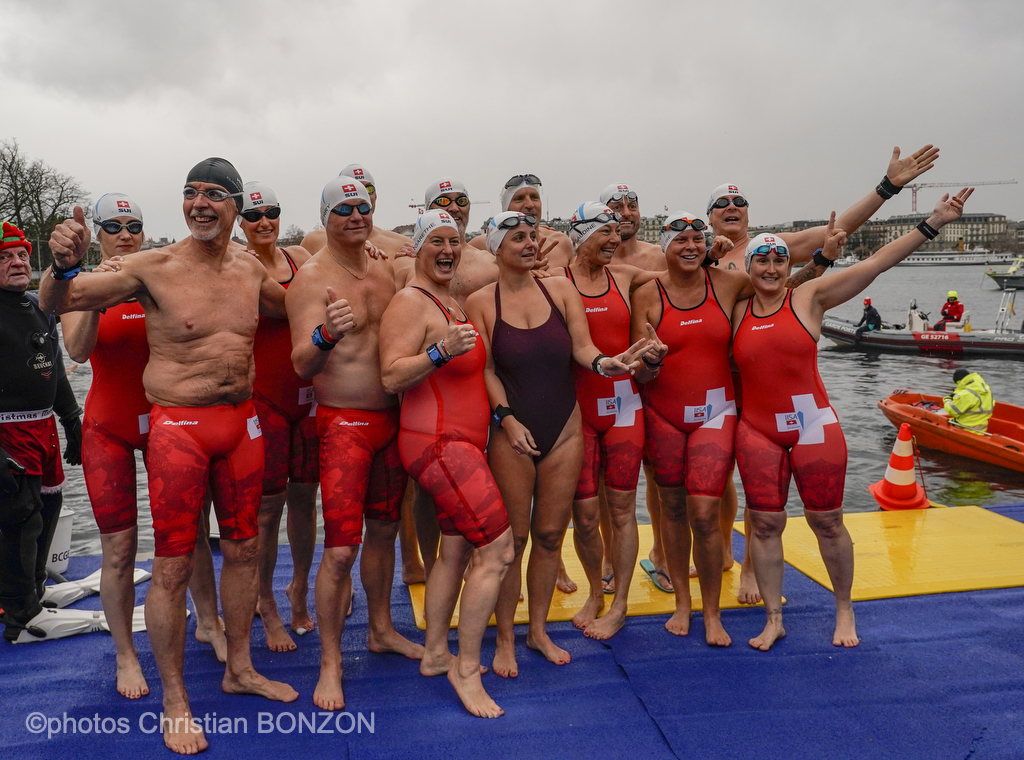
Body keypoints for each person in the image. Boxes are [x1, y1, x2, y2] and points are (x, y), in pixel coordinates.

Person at [42, 158, 299, 755]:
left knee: (245, 551)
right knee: (173, 567)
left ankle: (239, 666)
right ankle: (175, 699)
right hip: (178, 427)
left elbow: (295, 305)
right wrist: (61, 264)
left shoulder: (249, 271)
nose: (200, 204)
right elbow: (62, 301)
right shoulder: (151, 267)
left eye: (214, 194)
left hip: (242, 425)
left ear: (236, 205)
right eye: (190, 194)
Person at [731, 188, 973, 652]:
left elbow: (877, 263)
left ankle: (844, 608)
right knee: (763, 524)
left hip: (812, 426)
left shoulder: (809, 298)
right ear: (749, 269)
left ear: (788, 267)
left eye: (778, 261)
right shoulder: (735, 309)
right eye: (760, 261)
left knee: (827, 521)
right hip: (758, 430)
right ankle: (774, 617)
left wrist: (934, 222)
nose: (769, 268)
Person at [705, 143, 941, 604]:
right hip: (726, 387)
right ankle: (717, 556)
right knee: (718, 485)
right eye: (721, 204)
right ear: (709, 216)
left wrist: (888, 187)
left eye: (739, 202)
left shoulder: (770, 250)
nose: (731, 208)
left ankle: (752, 568)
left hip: (771, 385)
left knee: (765, 503)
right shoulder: (698, 252)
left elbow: (841, 229)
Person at [59, 194, 226, 698]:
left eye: (134, 225)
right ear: (101, 233)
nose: (126, 233)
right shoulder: (88, 286)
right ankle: (126, 655)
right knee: (119, 549)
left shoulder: (160, 276)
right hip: (108, 425)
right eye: (114, 226)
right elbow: (77, 350)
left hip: (165, 422)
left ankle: (209, 622)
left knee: (190, 533)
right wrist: (98, 286)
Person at [466, 210, 647, 676]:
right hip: (513, 433)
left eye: (532, 236)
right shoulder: (482, 301)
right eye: (518, 238)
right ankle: (505, 636)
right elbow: (485, 370)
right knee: (516, 539)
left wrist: (607, 363)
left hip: (565, 428)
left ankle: (538, 630)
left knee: (549, 536)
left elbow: (583, 348)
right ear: (495, 247)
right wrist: (504, 420)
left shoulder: (560, 290)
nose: (529, 244)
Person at [287, 176, 423, 712]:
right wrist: (326, 334)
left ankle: (382, 628)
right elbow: (301, 362)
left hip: (392, 421)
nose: (354, 215)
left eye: (362, 206)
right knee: (341, 547)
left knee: (385, 532)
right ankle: (330, 662)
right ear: (325, 216)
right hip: (344, 425)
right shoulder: (311, 281)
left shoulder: (388, 270)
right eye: (342, 208)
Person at [380, 209, 514, 718]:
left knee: (455, 551)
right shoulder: (410, 303)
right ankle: (466, 669)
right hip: (438, 445)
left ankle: (437, 652)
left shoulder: (449, 300)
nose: (447, 249)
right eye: (436, 241)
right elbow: (391, 375)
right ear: (417, 248)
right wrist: (438, 352)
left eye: (454, 242)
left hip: (460, 443)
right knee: (498, 552)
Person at [630, 211, 752, 644]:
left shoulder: (729, 283)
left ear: (707, 245)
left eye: (697, 239)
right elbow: (639, 376)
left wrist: (822, 260)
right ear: (664, 247)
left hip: (716, 414)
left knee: (705, 512)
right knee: (673, 511)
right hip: (662, 414)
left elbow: (781, 290)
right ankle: (683, 603)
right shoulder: (647, 292)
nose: (689, 246)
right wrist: (652, 362)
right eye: (679, 239)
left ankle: (712, 612)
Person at [559, 202, 662, 639]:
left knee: (622, 510)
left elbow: (683, 273)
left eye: (617, 232)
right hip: (573, 412)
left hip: (623, 407)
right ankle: (595, 593)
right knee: (583, 515)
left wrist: (713, 255)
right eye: (604, 232)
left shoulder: (626, 277)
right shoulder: (552, 282)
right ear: (579, 235)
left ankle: (619, 601)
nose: (614, 239)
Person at [236, 182, 320, 652]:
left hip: (306, 397)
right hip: (263, 398)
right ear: (240, 221)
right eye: (253, 215)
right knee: (268, 511)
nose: (263, 221)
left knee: (307, 502)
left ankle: (298, 589)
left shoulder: (300, 260)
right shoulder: (236, 263)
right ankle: (264, 600)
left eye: (271, 212)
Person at [0, 222, 83, 644]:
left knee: (50, 505)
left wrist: (72, 420)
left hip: (43, 424)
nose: (16, 263)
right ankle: (19, 616)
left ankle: (37, 590)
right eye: (4, 257)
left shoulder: (37, 305)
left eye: (19, 255)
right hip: (7, 432)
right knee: (20, 516)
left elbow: (52, 368)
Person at [467, 173, 574, 269]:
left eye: (534, 197)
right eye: (519, 198)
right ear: (506, 209)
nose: (530, 205)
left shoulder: (561, 243)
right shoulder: (481, 246)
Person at [600, 183, 667, 271]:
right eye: (617, 207)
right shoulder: (591, 264)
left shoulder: (662, 257)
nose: (627, 213)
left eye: (632, 206)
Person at [942, 368, 992, 433]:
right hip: (981, 429)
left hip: (965, 429)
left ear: (959, 381)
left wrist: (947, 400)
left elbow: (953, 411)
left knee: (940, 422)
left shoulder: (966, 394)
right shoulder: (985, 389)